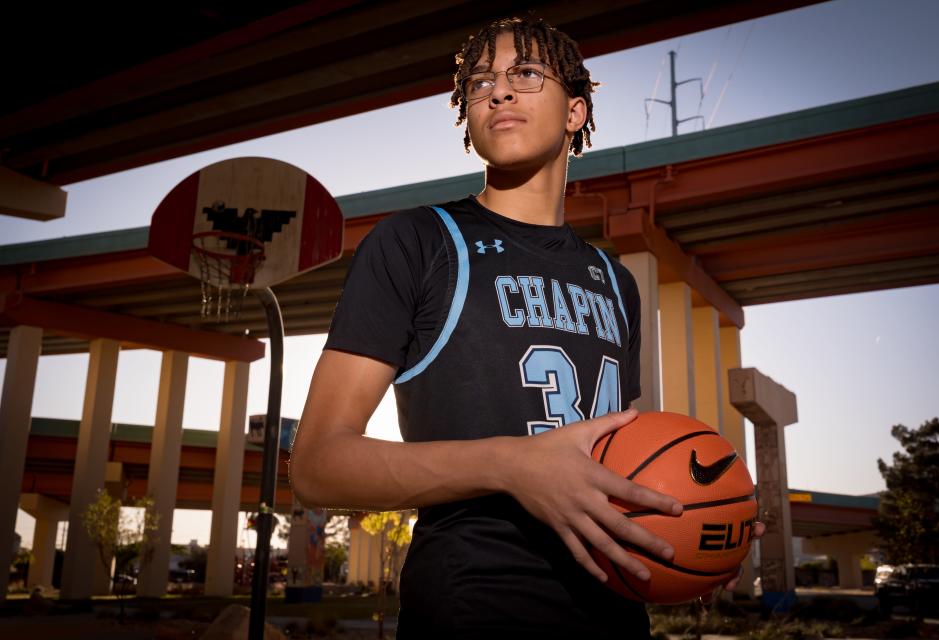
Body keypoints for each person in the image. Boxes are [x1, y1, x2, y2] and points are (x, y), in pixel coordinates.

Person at [290, 15, 756, 637]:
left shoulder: (614, 282)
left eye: (526, 74)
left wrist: (689, 533)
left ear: (575, 112)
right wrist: (511, 465)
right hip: (473, 608)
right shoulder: (419, 242)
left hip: (614, 615)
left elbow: (622, 462)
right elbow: (318, 465)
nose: (498, 91)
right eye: (480, 81)